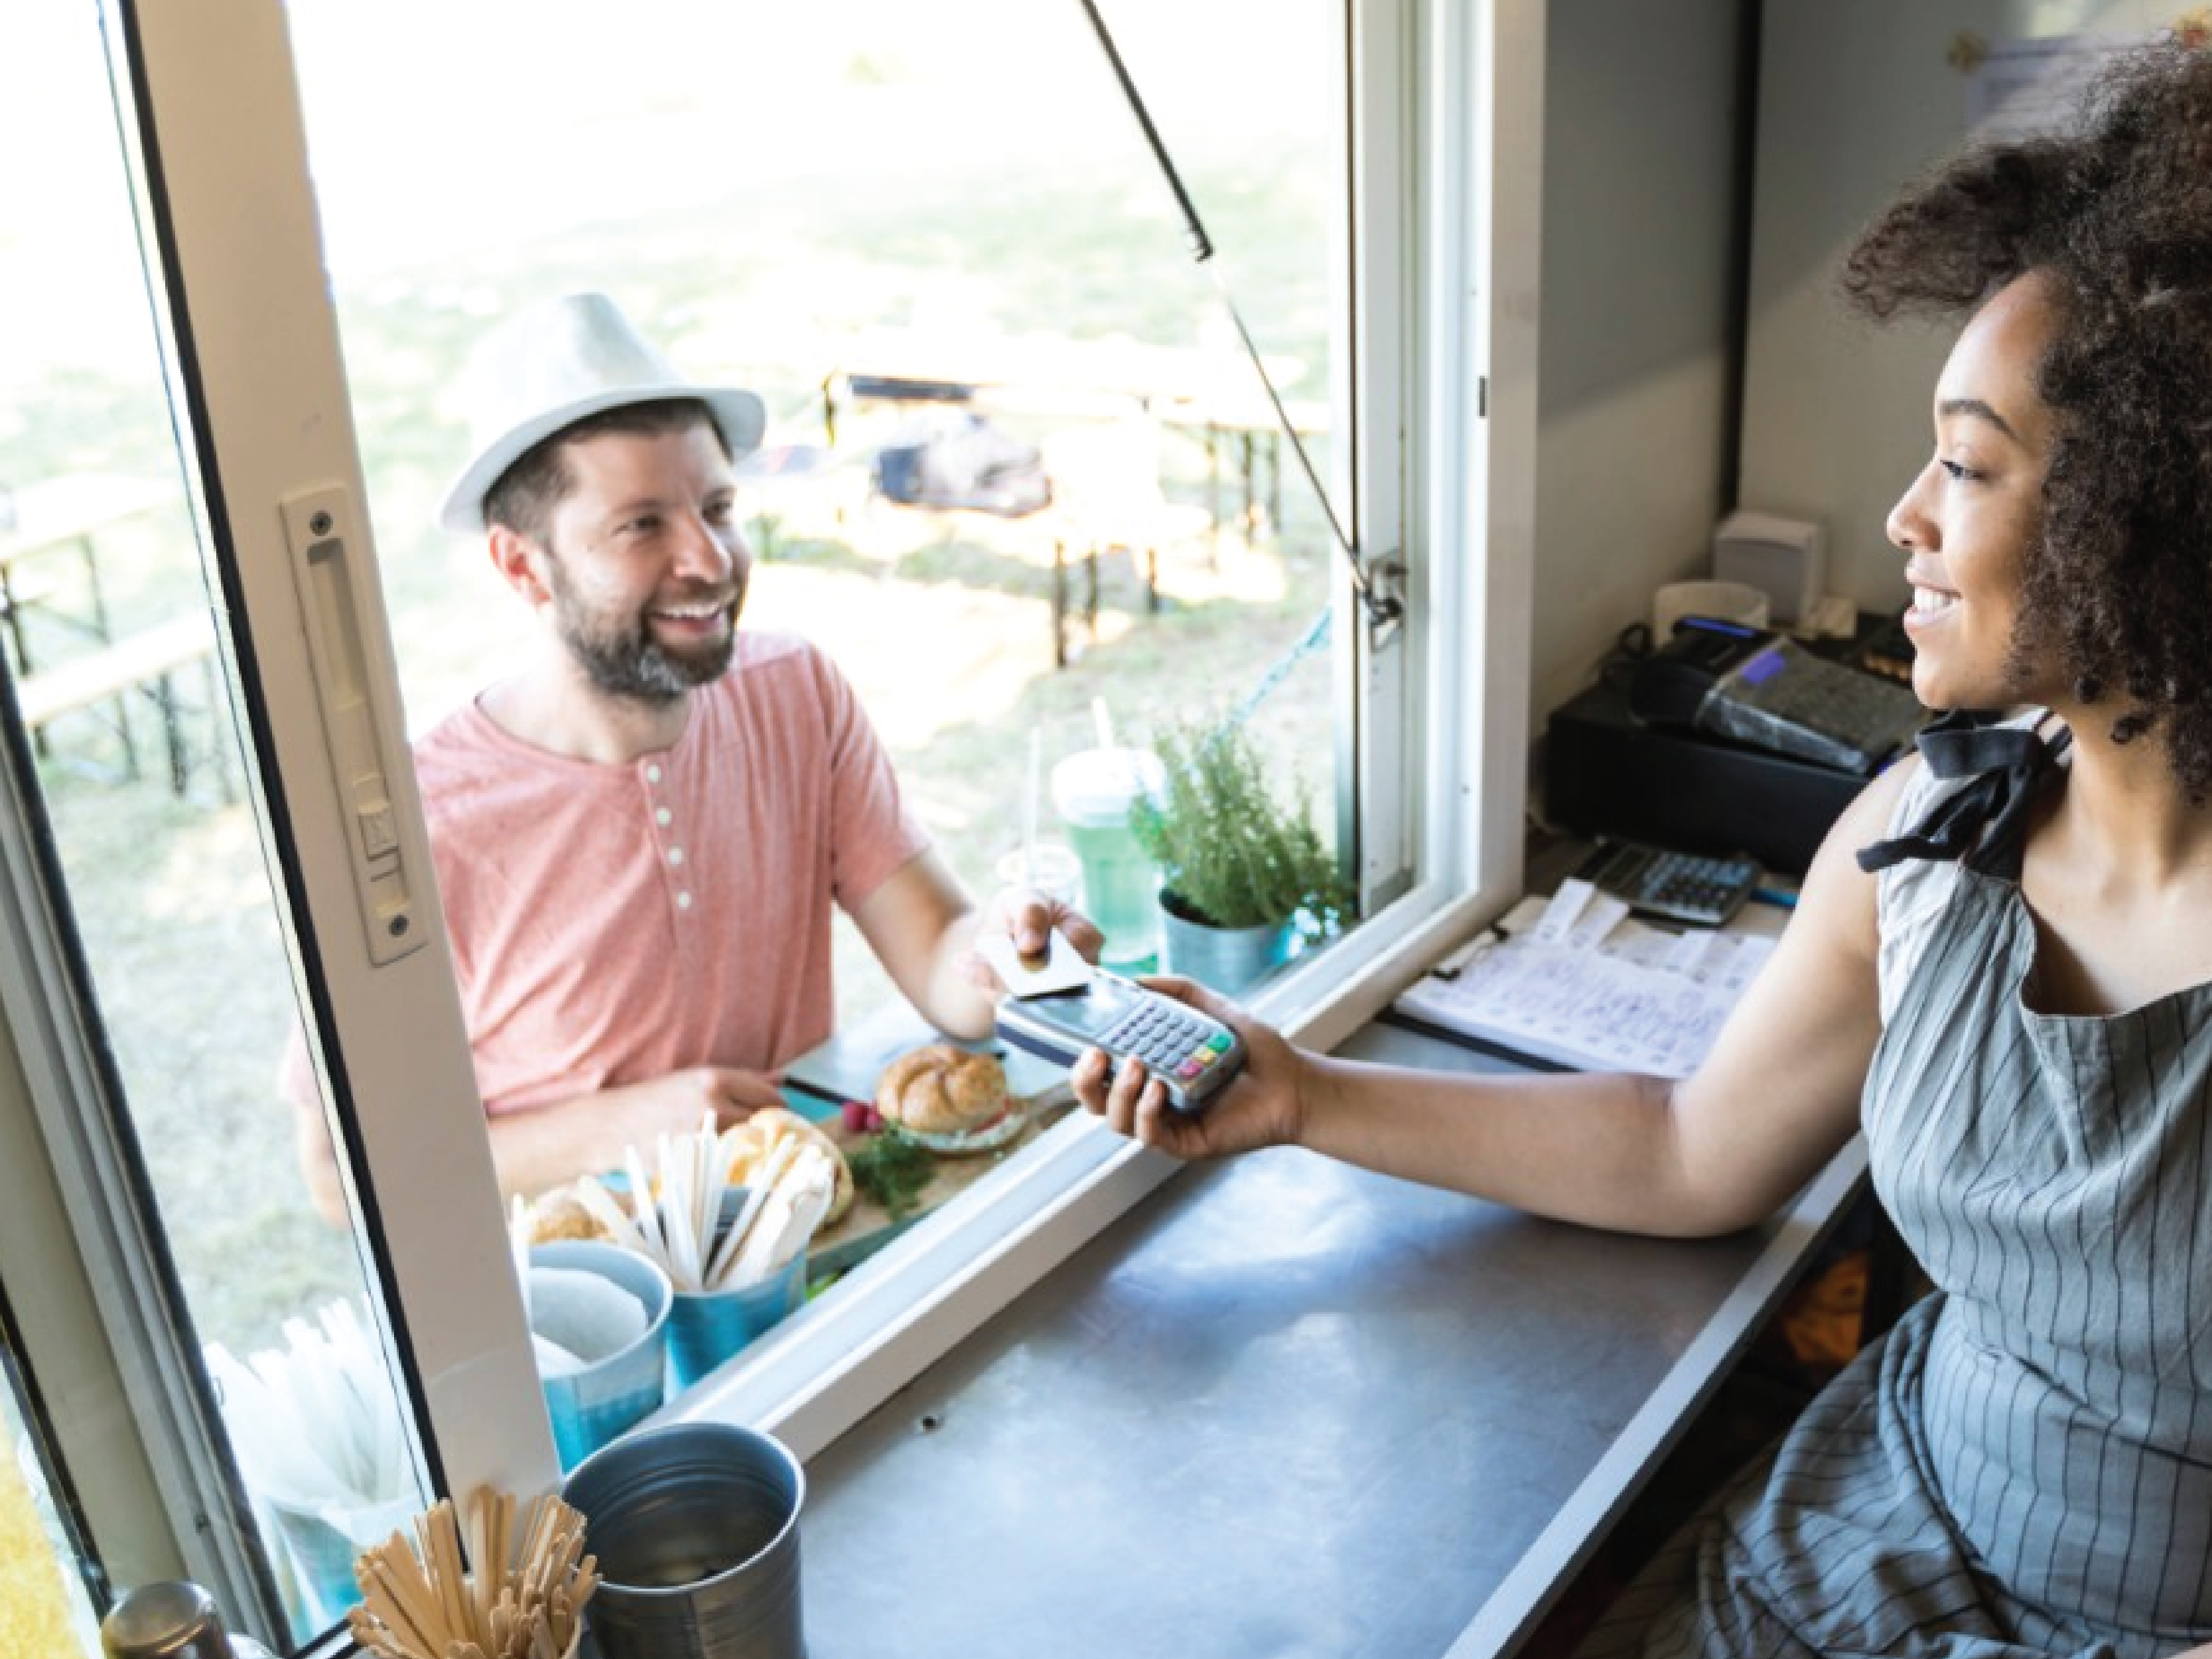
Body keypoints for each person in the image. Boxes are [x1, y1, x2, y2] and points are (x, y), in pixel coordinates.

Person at [1075, 40, 2212, 1659]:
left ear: (2152, 523)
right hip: (1862, 1543)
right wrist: (1303, 1096)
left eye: (1962, 466)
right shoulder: (1923, 831)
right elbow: (1688, 1150)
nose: (1901, 515)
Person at [291, 291, 1094, 1208]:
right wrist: (621, 1129)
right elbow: (335, 1177)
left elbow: (944, 965)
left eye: (716, 506)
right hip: (599, 1305)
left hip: (807, 1235)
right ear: (521, 567)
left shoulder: (795, 691)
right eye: (641, 525)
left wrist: (1008, 951)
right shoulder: (417, 825)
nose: (709, 560)